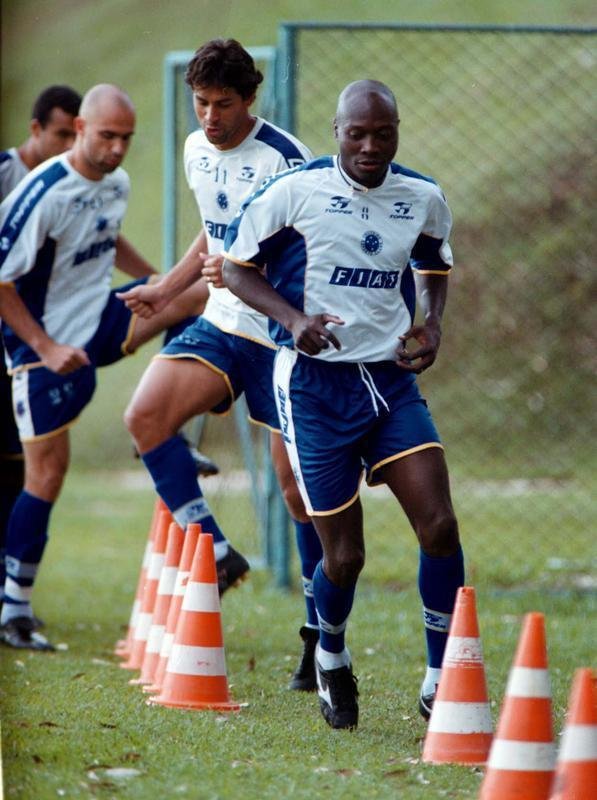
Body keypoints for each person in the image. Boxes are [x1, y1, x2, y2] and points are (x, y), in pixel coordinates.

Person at [222, 79, 465, 730]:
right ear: (335, 131)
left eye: (381, 133)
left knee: (438, 525)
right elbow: (236, 268)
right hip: (309, 384)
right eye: (355, 133)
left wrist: (431, 323)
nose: (368, 145)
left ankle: (440, 678)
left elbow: (433, 262)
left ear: (395, 133)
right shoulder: (293, 192)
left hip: (387, 380)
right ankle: (329, 651)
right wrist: (292, 318)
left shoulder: (419, 196)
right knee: (345, 557)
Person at [117, 39, 324, 689]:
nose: (209, 116)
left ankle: (321, 638)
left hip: (279, 335)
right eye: (200, 103)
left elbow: (312, 251)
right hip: (222, 325)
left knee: (298, 489)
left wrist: (244, 273)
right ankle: (216, 549)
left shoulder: (287, 160)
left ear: (250, 98)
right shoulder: (194, 149)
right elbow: (213, 227)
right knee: (145, 417)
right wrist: (168, 288)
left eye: (222, 104)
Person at [0, 84, 207, 651]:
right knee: (46, 474)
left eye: (126, 139)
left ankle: (162, 427)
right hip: (41, 350)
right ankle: (13, 609)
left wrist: (161, 282)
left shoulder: (116, 182)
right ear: (80, 129)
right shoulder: (42, 192)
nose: (117, 149)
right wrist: (43, 348)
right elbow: (1, 280)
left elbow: (106, 237)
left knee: (196, 295)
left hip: (99, 320)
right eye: (106, 136)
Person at [0, 85, 82, 630]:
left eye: (75, 135)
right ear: (35, 131)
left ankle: (13, 594)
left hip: (31, 344)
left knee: (25, 470)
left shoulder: (71, 186)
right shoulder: (10, 178)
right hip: (17, 341)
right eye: (60, 134)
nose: (67, 144)